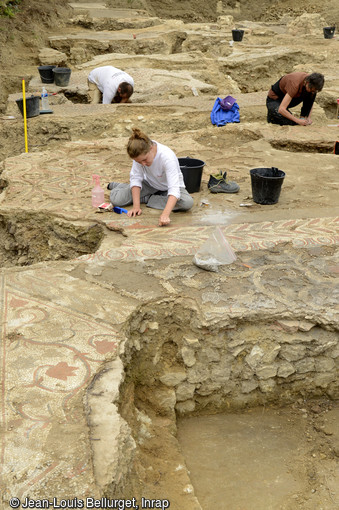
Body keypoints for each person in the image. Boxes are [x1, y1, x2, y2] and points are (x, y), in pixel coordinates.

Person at [107, 128, 194, 227]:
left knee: (187, 203)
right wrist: (136, 206)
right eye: (139, 162)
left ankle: (147, 198)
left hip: (167, 187)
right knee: (116, 200)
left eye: (145, 160)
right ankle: (119, 187)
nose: (143, 164)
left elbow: (174, 189)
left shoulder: (167, 157)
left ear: (151, 148)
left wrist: (165, 214)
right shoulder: (139, 157)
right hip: (149, 183)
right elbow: (136, 178)